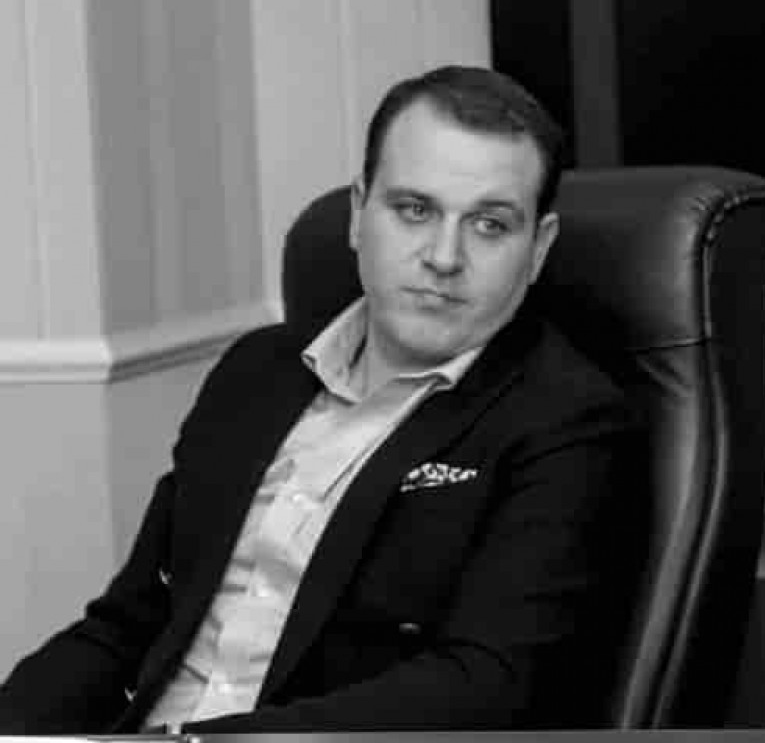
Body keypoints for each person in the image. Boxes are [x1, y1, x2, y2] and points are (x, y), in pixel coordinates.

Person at [0, 65, 644, 733]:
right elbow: (126, 626)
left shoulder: (568, 422)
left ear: (538, 248)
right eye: (414, 210)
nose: (444, 256)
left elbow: (484, 686)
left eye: (489, 224)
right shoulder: (255, 373)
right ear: (359, 214)